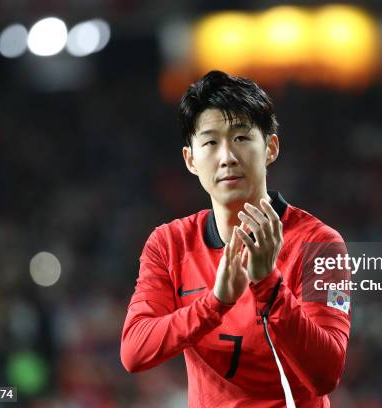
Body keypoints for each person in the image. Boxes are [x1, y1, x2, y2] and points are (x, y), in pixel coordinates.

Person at [121, 70, 350, 407]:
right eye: (210, 142)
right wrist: (215, 304)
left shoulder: (320, 244)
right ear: (190, 159)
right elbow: (134, 352)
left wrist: (268, 284)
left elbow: (326, 373)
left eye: (241, 138)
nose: (226, 156)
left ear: (270, 147)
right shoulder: (169, 244)